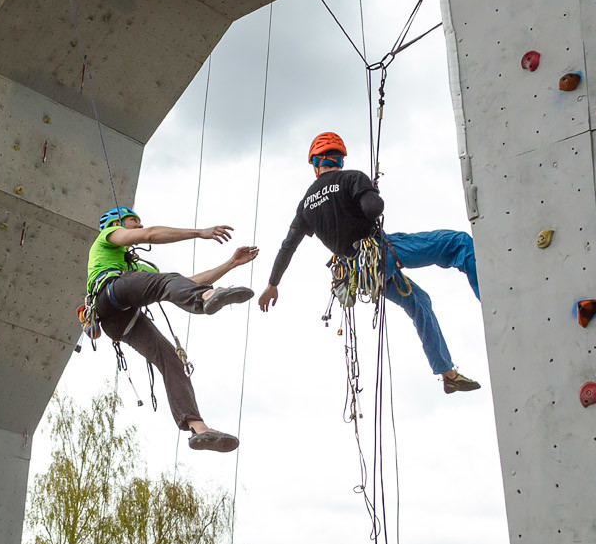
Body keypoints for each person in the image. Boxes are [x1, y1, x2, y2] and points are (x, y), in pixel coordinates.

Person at [258, 132, 483, 393]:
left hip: (360, 275)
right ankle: (493, 301)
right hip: (377, 252)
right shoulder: (351, 178)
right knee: (458, 243)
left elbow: (288, 246)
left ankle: (447, 373)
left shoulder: (306, 204)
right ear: (339, 160)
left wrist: (272, 283)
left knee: (420, 302)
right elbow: (373, 209)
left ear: (315, 164)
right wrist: (370, 191)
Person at [87, 206, 256, 452]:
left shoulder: (140, 271)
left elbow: (186, 283)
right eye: (134, 221)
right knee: (167, 280)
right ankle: (205, 298)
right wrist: (201, 233)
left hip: (117, 319)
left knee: (172, 361)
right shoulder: (108, 238)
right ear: (116, 223)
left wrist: (230, 264)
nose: (139, 225)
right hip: (111, 290)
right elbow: (150, 235)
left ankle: (198, 428)